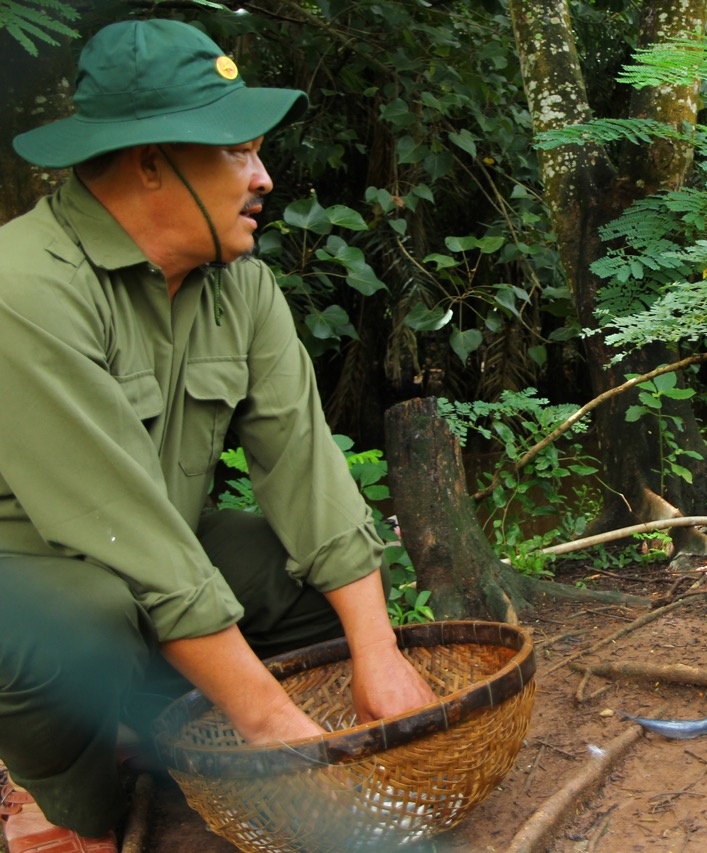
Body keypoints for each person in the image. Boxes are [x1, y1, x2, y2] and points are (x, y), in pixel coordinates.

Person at [0, 18, 438, 852]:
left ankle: (143, 718)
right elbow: (126, 531)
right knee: (86, 621)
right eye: (239, 151)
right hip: (31, 580)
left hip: (156, 556)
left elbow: (305, 464)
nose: (264, 177)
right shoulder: (21, 287)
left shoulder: (242, 286)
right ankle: (51, 794)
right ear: (152, 161)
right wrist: (277, 729)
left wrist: (376, 655)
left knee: (319, 593)